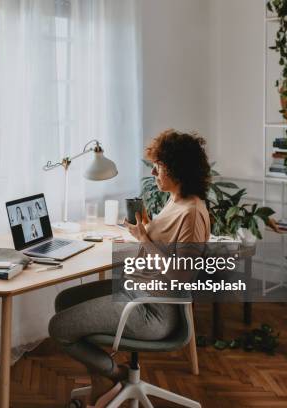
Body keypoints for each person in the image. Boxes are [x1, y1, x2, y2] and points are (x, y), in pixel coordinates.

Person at [49, 129, 211, 408]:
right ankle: (103, 379)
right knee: (65, 300)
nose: (153, 173)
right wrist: (146, 229)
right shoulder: (176, 199)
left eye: (158, 167)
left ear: (177, 169)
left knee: (59, 328)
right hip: (137, 289)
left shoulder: (193, 212)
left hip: (154, 310)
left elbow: (181, 276)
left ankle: (114, 374)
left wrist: (145, 239)